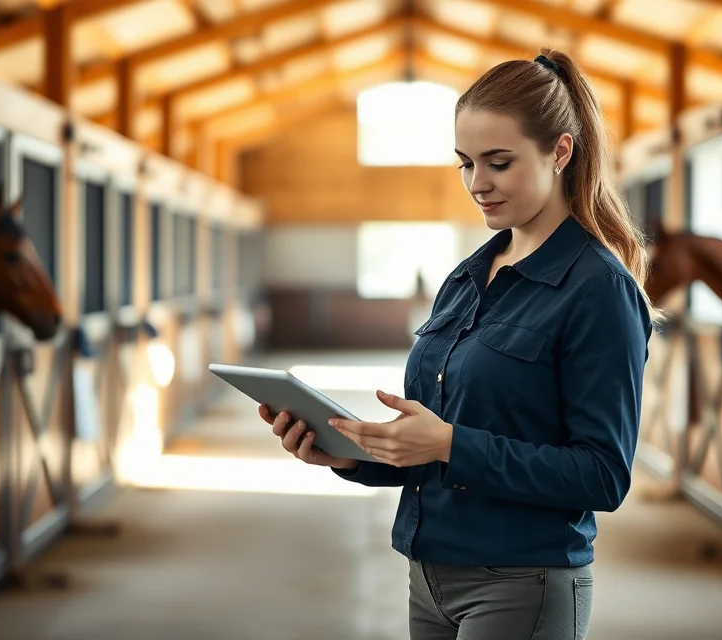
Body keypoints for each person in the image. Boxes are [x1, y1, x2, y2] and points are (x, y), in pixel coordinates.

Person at [258, 47, 658, 640]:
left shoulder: (598, 290)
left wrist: (449, 443)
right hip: (429, 575)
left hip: (521, 581)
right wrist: (351, 455)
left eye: (498, 162)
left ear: (561, 151)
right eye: (465, 163)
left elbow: (602, 475)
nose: (477, 184)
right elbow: (439, 443)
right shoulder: (470, 276)